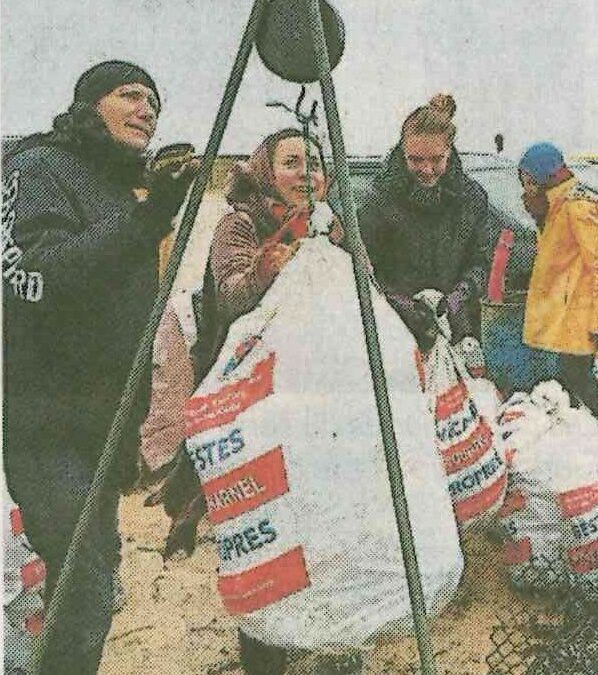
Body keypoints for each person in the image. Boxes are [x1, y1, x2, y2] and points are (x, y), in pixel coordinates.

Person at [2, 60, 195, 673]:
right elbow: (38, 278)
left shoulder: (123, 186)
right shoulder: (37, 169)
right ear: (90, 105)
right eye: (130, 95)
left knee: (91, 587)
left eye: (155, 101)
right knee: (84, 585)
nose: (147, 109)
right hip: (44, 421)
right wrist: (147, 217)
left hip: (104, 427)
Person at [357, 93, 489, 351]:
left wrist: (458, 297)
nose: (427, 170)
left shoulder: (472, 198)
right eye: (416, 160)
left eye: (436, 159)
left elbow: (481, 261)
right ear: (403, 152)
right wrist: (401, 304)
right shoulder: (380, 199)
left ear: (449, 152)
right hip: (395, 329)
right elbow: (363, 265)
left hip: (459, 328)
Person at [518, 142, 598, 415]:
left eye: (528, 181)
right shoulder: (555, 206)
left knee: (578, 380)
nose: (525, 188)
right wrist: (540, 216)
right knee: (570, 382)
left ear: (544, 177)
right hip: (567, 317)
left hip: (579, 317)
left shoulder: (577, 207)